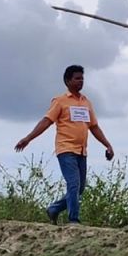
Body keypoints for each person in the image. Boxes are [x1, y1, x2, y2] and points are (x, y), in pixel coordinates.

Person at [14, 65, 114, 225]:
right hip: (66, 149)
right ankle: (73, 220)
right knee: (73, 184)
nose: (80, 81)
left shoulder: (86, 102)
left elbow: (94, 126)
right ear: (68, 81)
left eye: (82, 78)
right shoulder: (60, 101)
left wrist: (107, 145)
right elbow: (46, 121)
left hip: (82, 151)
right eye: (77, 78)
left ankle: (54, 209)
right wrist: (28, 138)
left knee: (80, 188)